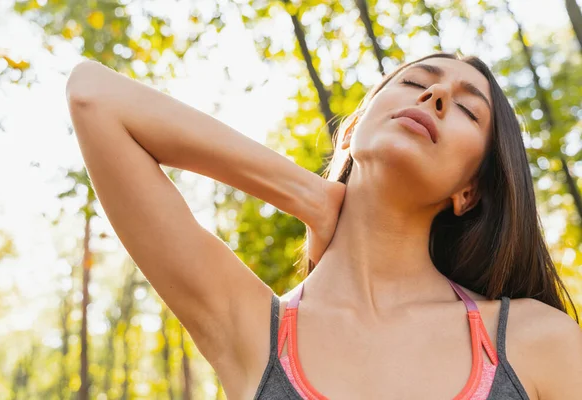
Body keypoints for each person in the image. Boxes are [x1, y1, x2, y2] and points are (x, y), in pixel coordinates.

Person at [65, 52, 582, 400]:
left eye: (468, 109)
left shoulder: (534, 340)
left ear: (468, 192)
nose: (436, 97)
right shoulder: (253, 332)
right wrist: (308, 194)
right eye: (415, 83)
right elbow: (93, 95)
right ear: (353, 129)